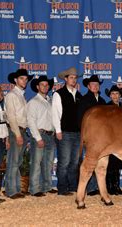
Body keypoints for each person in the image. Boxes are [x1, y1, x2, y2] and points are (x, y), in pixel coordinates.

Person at [52, 67, 82, 196]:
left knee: (74, 162)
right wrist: (58, 130)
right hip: (64, 132)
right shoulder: (58, 94)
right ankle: (62, 188)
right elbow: (55, 113)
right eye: (71, 77)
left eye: (75, 78)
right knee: (64, 161)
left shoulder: (78, 94)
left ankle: (73, 186)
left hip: (77, 133)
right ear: (65, 79)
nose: (73, 80)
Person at [4, 69, 32, 199]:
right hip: (16, 131)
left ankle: (15, 189)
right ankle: (10, 190)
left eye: (26, 79)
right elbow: (11, 117)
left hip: (22, 130)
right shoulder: (11, 95)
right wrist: (18, 134)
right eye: (22, 78)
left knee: (17, 161)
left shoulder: (21, 95)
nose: (24, 81)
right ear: (15, 80)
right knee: (13, 161)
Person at [26, 76, 56, 197]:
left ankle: (47, 186)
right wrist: (38, 138)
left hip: (50, 135)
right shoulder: (33, 102)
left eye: (46, 85)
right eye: (42, 85)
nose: (45, 87)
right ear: (37, 87)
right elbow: (31, 121)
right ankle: (34, 188)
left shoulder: (50, 101)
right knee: (36, 162)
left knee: (48, 163)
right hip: (40, 134)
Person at [77, 74, 106, 195]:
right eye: (93, 84)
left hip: (103, 137)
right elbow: (81, 118)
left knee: (100, 162)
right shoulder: (84, 100)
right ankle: (90, 187)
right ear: (88, 86)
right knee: (90, 160)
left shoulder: (102, 101)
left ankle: (96, 187)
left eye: (97, 84)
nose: (95, 86)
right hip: (90, 136)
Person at [104, 85, 122, 195]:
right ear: (110, 96)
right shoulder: (107, 107)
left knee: (117, 163)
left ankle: (117, 187)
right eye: (112, 94)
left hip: (121, 138)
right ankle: (109, 187)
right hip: (110, 138)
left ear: (120, 95)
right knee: (110, 164)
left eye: (117, 94)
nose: (115, 96)